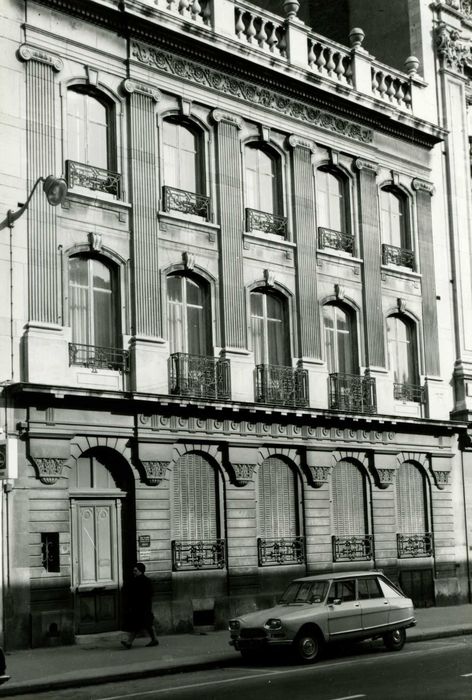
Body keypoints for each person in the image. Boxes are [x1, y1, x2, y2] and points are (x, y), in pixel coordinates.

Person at [121, 563, 159, 649]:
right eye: (133, 570)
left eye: (135, 571)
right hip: (140, 607)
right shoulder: (137, 580)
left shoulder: (144, 581)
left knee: (138, 625)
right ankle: (154, 640)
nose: (133, 572)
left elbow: (149, 594)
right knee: (147, 624)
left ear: (140, 571)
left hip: (143, 607)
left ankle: (129, 643)